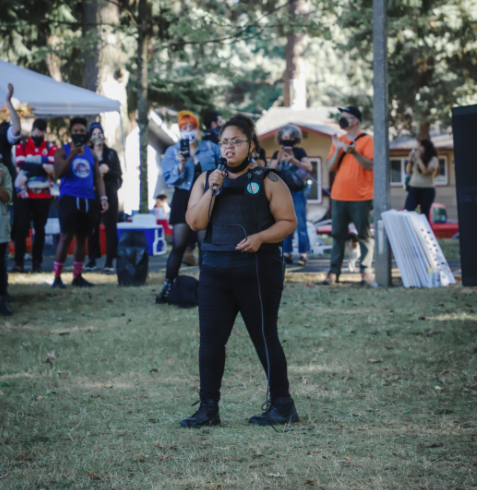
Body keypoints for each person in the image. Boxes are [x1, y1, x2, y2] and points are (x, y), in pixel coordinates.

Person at [180, 114, 299, 428]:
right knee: (210, 342)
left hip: (258, 270)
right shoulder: (207, 179)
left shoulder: (268, 179)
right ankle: (208, 409)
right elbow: (195, 223)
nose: (229, 147)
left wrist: (261, 237)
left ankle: (283, 405)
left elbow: (289, 222)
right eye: (224, 141)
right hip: (215, 270)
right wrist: (212, 191)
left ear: (251, 145)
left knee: (264, 337)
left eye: (236, 141)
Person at [156, 111, 221, 303]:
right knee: (178, 245)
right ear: (179, 131)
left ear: (197, 129)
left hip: (205, 197)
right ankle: (167, 286)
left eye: (191, 128)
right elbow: (169, 178)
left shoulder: (209, 147)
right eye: (184, 129)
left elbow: (224, 165)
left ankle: (206, 288)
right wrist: (181, 164)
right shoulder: (172, 151)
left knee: (204, 245)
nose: (188, 132)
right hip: (183, 198)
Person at [52, 117, 109, 288]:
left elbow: (98, 177)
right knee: (66, 236)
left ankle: (78, 276)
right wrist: (71, 156)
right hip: (69, 198)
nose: (79, 134)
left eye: (82, 132)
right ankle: (57, 277)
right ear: (70, 133)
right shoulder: (62, 151)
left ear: (86, 134)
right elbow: (58, 174)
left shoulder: (91, 153)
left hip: (88, 199)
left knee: (81, 237)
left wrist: (103, 197)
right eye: (76, 131)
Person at [324, 106, 374, 285]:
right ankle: (333, 272)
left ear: (355, 120)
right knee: (338, 235)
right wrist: (338, 149)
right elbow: (329, 167)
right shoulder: (339, 140)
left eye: (345, 117)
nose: (341, 120)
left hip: (361, 197)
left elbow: (369, 165)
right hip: (338, 196)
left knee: (363, 235)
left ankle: (366, 272)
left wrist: (354, 152)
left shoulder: (367, 140)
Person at [12, 118, 56, 273]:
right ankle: (19, 262)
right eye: (35, 135)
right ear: (32, 132)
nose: (38, 138)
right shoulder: (22, 145)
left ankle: (37, 262)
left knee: (40, 229)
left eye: (41, 135)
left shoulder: (50, 147)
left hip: (43, 196)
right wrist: (42, 166)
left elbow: (51, 168)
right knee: (21, 228)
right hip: (23, 195)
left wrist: (32, 167)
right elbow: (21, 164)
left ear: (44, 133)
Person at [270, 124, 312, 266]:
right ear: (281, 137)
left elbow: (309, 167)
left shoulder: (300, 151)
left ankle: (303, 254)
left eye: (290, 137)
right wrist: (279, 159)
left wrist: (293, 160)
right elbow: (269, 172)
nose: (288, 139)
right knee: (284, 223)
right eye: (285, 136)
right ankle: (286, 253)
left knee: (301, 224)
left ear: (295, 138)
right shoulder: (278, 153)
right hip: (282, 194)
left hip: (298, 192)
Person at [84, 122, 122, 272]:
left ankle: (109, 261)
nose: (97, 136)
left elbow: (119, 174)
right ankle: (92, 259)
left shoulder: (111, 153)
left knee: (110, 228)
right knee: (91, 227)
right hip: (92, 194)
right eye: (94, 134)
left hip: (110, 193)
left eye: (100, 133)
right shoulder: (87, 153)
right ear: (90, 137)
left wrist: (108, 170)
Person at [0, 84, 21, 302]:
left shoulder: (2, 129)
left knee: (2, 247)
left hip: (3, 197)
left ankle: (2, 291)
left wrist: (9, 102)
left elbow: (16, 130)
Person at [404, 139, 439, 221]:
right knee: (407, 211)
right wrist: (410, 159)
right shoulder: (416, 158)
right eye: (417, 146)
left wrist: (418, 159)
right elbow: (408, 171)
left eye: (420, 146)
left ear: (426, 147)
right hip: (414, 189)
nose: (418, 148)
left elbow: (425, 171)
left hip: (427, 190)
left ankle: (425, 233)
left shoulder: (433, 159)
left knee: (424, 214)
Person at [0, 156, 13, 315]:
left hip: (0, 225)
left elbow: (7, 197)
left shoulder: (4, 170)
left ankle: (2, 299)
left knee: (0, 263)